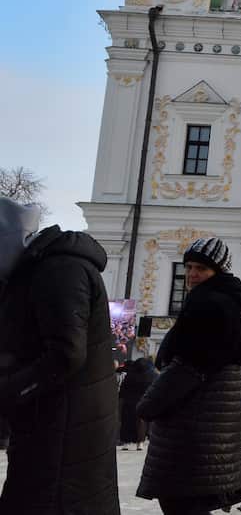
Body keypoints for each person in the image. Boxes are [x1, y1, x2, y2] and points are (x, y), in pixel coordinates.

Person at [0, 202, 120, 514]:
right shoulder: (36, 270)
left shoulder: (58, 269)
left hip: (65, 435)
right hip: (54, 428)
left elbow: (65, 354)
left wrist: (8, 391)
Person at [137, 236, 241, 514]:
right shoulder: (227, 303)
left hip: (193, 429)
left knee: (181, 503)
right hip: (209, 431)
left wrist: (147, 406)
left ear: (218, 271)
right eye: (188, 267)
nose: (192, 274)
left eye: (201, 268)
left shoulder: (208, 305)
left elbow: (189, 367)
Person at [119, 356, 159, 450]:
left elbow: (123, 388)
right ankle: (140, 442)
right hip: (143, 401)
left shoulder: (130, 375)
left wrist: (121, 398)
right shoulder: (152, 375)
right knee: (141, 422)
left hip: (129, 401)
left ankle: (126, 442)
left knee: (127, 421)